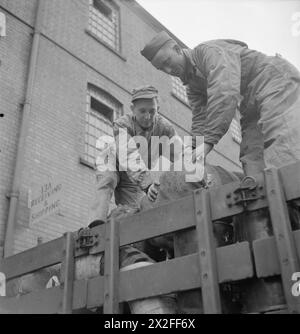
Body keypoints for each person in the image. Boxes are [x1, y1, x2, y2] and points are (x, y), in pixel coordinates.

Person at [141, 31, 300, 176]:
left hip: (274, 80)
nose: (168, 70)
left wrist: (209, 142)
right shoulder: (192, 87)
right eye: (161, 68)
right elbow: (200, 121)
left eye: (167, 62)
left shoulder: (207, 52)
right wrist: (192, 151)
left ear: (177, 49)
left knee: (282, 143)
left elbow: (224, 91)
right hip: (250, 103)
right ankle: (267, 200)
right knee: (252, 156)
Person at [88, 85, 180, 228]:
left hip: (134, 178)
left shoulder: (166, 128)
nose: (147, 116)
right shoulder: (122, 124)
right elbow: (129, 157)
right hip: (115, 163)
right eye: (142, 111)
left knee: (136, 213)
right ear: (132, 109)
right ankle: (96, 224)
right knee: (107, 179)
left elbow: (180, 152)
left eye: (152, 111)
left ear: (158, 109)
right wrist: (148, 184)